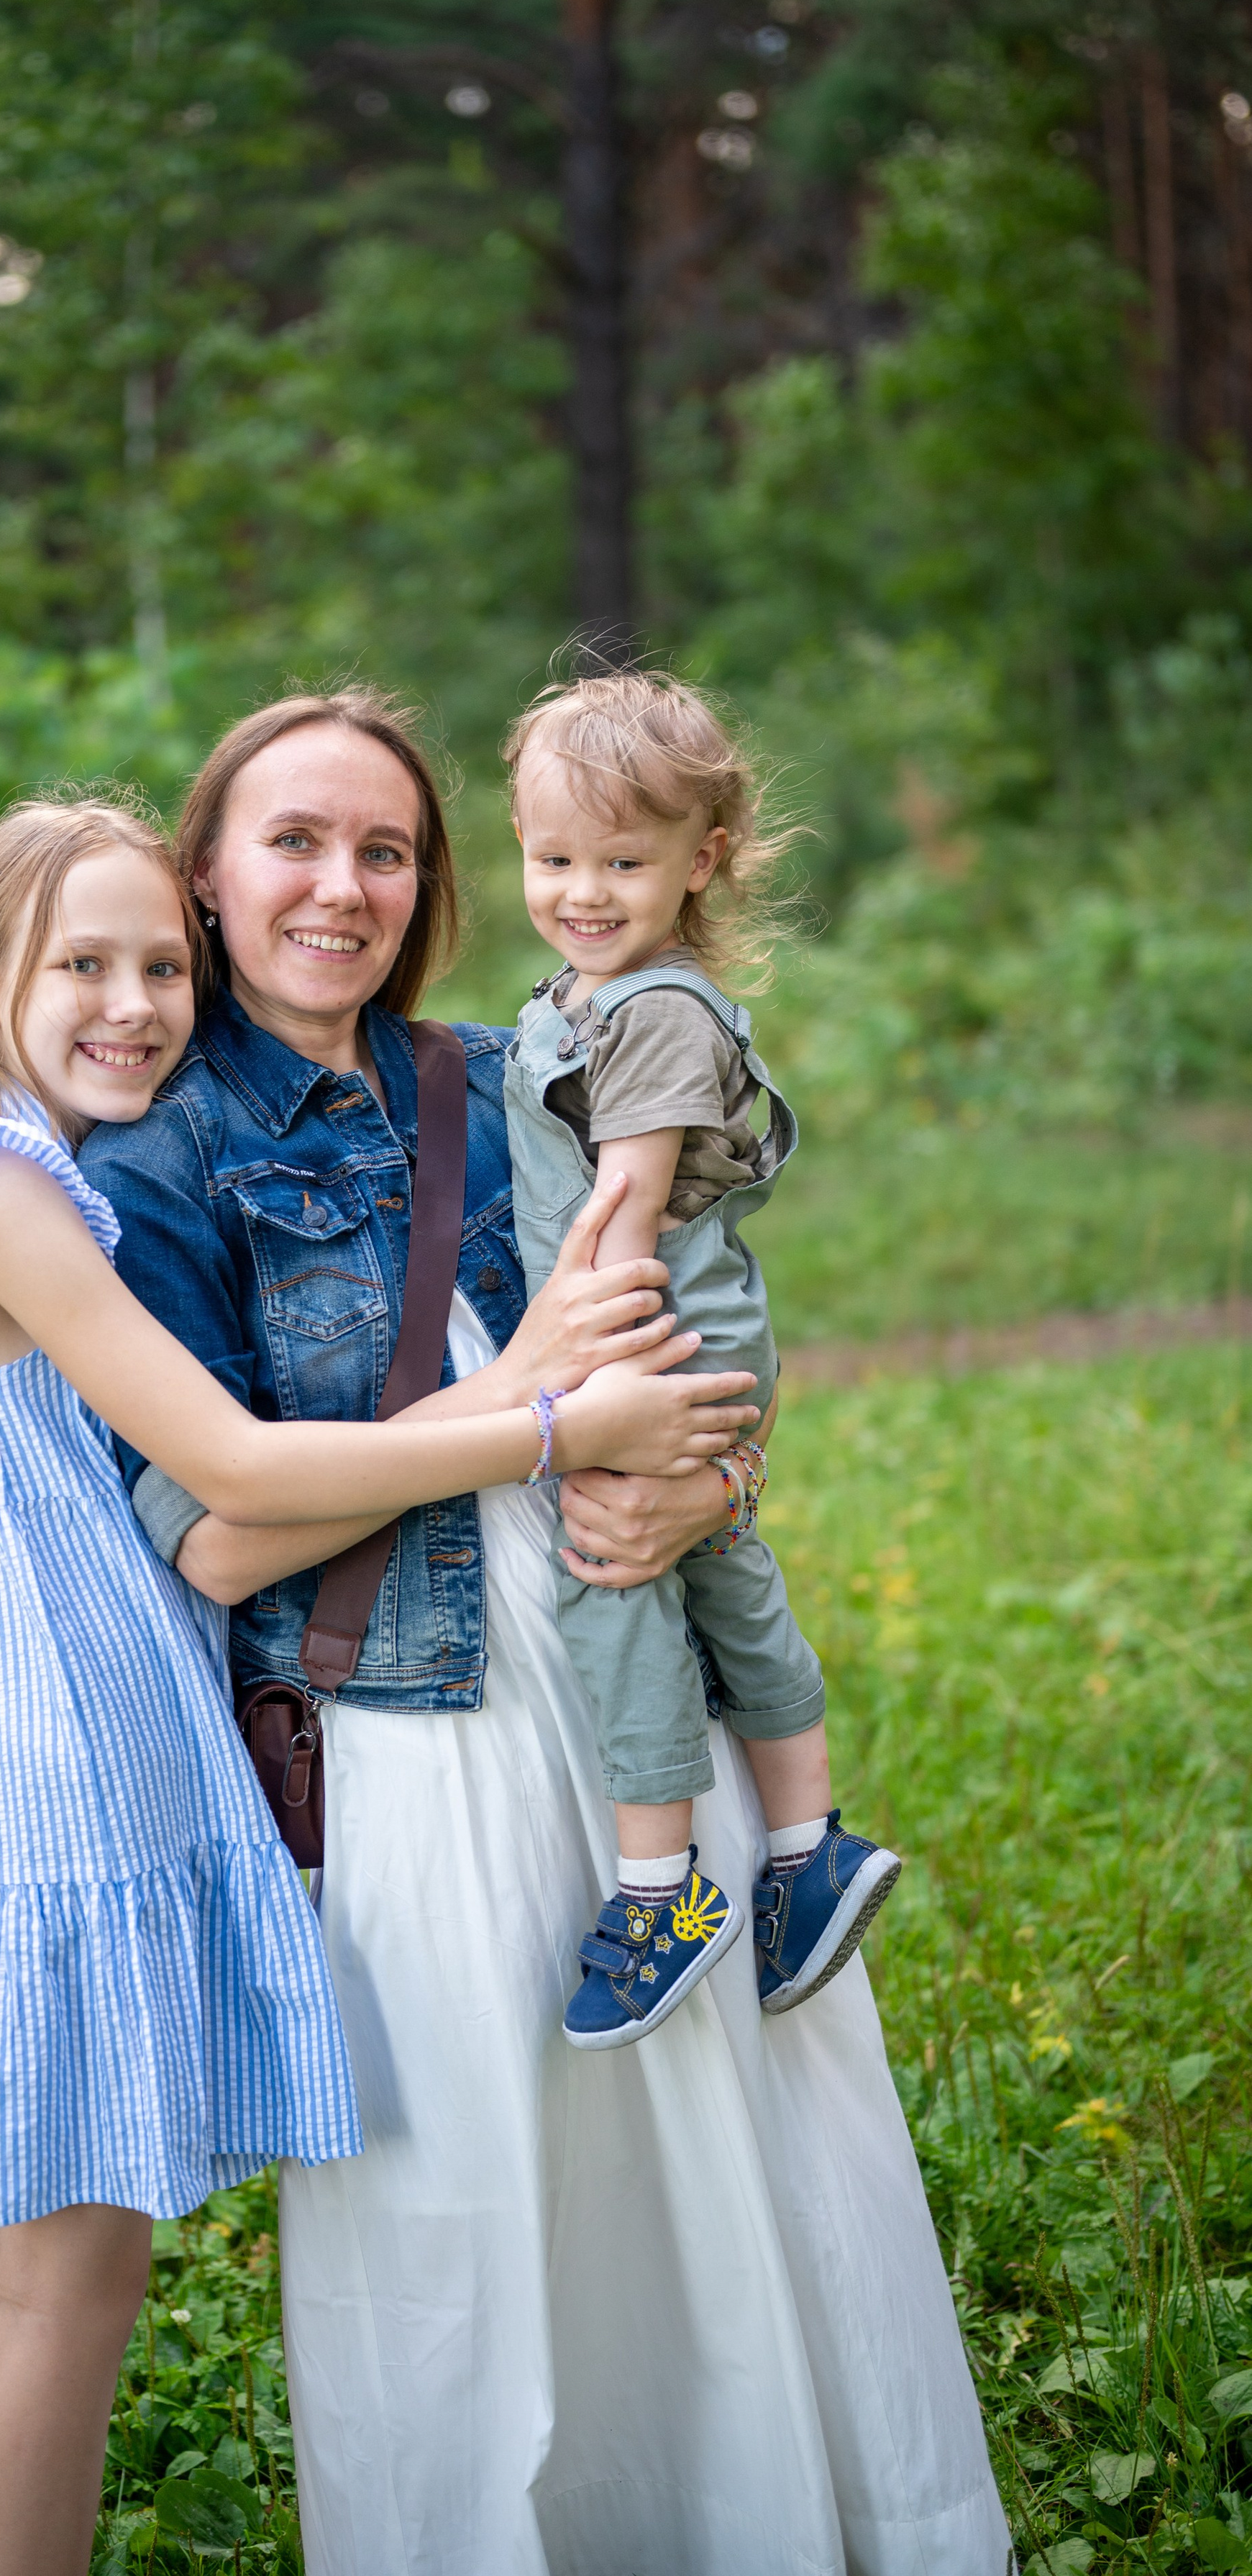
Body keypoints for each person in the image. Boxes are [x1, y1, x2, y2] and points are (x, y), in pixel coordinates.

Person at [81, 693, 1013, 2576]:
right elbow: (217, 1540)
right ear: (207, 875)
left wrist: (712, 1482)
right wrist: (527, 1410)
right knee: (470, 2204)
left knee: (717, 2155)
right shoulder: (153, 1166)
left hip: (629, 1679)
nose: (341, 886)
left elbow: (703, 1329)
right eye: (293, 841)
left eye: (385, 849)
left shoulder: (529, 1070)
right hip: (411, 1728)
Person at [0, 795, 758, 2576]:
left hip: (115, 1731)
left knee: (87, 2257)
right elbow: (236, 1472)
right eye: (78, 965)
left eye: (157, 968)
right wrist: (552, 1419)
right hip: (60, 1758)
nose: (132, 1004)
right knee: (60, 2263)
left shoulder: (45, 1176)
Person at [502, 670, 902, 2049]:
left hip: (648, 1322)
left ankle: (661, 1891)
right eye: (554, 859)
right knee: (720, 1566)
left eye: (624, 862)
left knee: (611, 1571)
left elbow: (624, 1204)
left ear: (701, 859)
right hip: (684, 1318)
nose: (584, 892)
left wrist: (589, 1381)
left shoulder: (658, 1011)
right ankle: (806, 1849)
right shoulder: (594, 992)